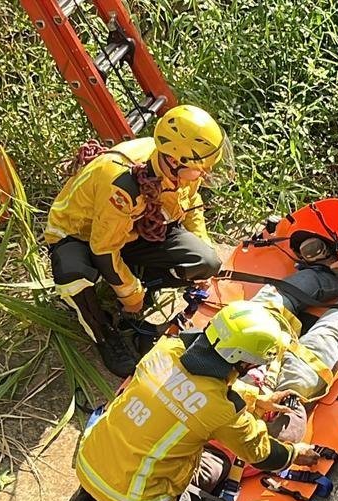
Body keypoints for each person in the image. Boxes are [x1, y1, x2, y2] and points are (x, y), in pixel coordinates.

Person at [50, 300, 321, 501]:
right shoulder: (222, 411)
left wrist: (255, 398)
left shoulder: (166, 349)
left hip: (91, 461)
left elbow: (195, 378)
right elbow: (261, 454)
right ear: (242, 360)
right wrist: (293, 453)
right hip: (139, 499)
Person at [45, 105, 230, 377]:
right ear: (174, 161)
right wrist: (131, 293)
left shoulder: (179, 166)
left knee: (205, 262)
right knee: (74, 274)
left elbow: (192, 204)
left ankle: (137, 282)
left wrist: (203, 241)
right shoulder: (122, 185)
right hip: (81, 236)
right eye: (199, 170)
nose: (203, 175)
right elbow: (103, 248)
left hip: (130, 230)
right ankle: (104, 333)